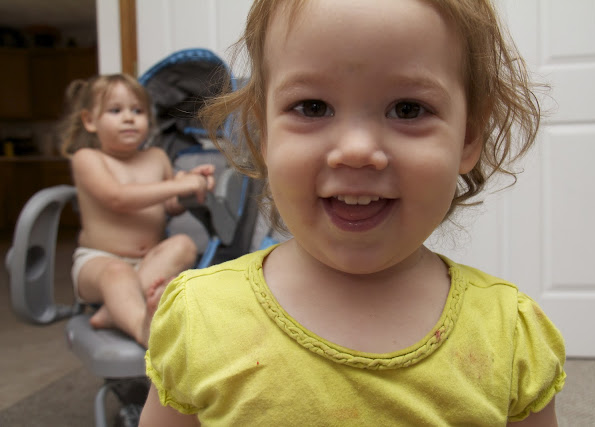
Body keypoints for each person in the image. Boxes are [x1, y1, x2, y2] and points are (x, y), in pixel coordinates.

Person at [140, 0, 566, 425]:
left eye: (408, 109)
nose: (357, 150)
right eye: (312, 107)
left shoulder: (510, 338)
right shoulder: (200, 319)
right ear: (264, 131)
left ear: (468, 136)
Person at [59, 73, 215, 347]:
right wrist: (176, 185)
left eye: (137, 111)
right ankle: (140, 328)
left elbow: (170, 206)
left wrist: (189, 188)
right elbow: (117, 198)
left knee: (184, 244)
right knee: (117, 273)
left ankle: (113, 312)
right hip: (100, 263)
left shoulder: (156, 157)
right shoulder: (87, 158)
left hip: (148, 262)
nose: (129, 118)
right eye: (115, 110)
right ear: (90, 121)